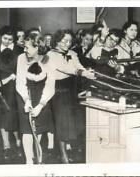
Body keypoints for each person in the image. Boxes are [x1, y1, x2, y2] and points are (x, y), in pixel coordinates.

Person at [47, 29, 95, 163]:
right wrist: (81, 72)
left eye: (69, 41)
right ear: (57, 41)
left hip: (71, 88)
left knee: (72, 123)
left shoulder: (72, 53)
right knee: (62, 123)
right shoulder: (51, 54)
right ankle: (63, 156)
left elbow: (78, 66)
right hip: (58, 91)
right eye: (64, 41)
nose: (67, 44)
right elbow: (65, 68)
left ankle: (67, 150)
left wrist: (87, 71)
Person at [16, 33, 55, 164]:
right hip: (24, 93)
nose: (24, 50)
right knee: (27, 129)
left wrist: (40, 105)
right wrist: (26, 100)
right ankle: (29, 161)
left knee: (38, 128)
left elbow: (50, 86)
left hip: (42, 95)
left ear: (37, 47)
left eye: (27, 47)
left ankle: (37, 157)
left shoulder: (49, 60)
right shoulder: (21, 58)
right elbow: (20, 82)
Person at [0, 25, 22, 160]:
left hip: (12, 86)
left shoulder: (19, 51)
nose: (6, 41)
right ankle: (6, 146)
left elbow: (20, 71)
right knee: (1, 116)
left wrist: (8, 79)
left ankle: (18, 143)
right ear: (1, 37)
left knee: (12, 115)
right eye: (4, 38)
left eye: (10, 39)